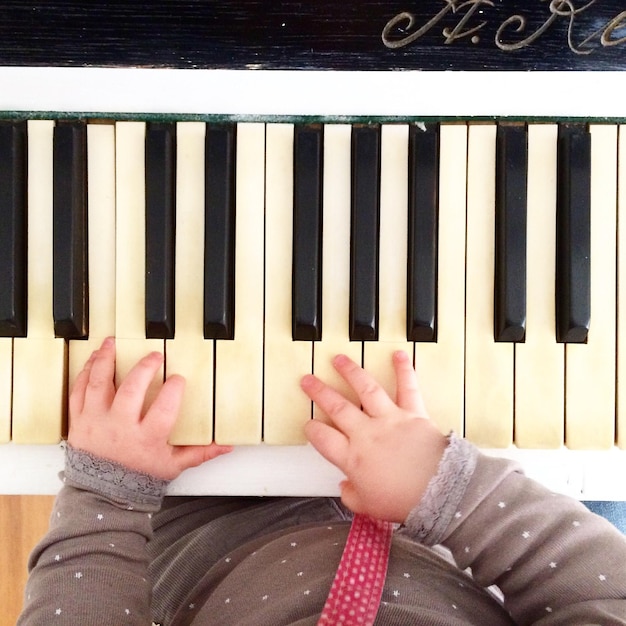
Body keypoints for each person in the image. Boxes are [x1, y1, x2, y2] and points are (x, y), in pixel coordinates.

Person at [17, 337, 626, 625]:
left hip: (206, 533)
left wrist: (110, 490)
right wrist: (452, 494)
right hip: (454, 540)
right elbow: (605, 593)